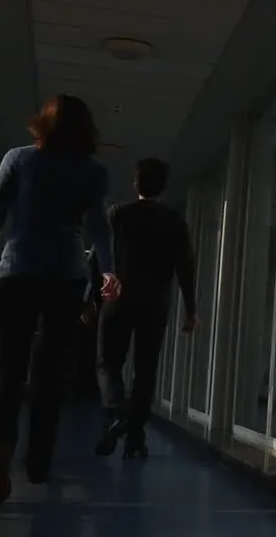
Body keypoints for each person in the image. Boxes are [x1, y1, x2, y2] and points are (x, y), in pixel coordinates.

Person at [0, 94, 120, 504]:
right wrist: (110, 271)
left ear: (41, 124)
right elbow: (99, 227)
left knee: (9, 369)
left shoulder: (18, 159)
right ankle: (39, 459)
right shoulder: (93, 172)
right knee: (50, 374)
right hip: (65, 278)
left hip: (16, 273)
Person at [95, 158, 197, 460]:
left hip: (118, 299)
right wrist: (190, 309)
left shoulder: (118, 215)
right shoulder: (175, 221)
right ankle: (136, 439)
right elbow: (185, 267)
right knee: (145, 371)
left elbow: (101, 258)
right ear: (163, 186)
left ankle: (116, 411)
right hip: (155, 304)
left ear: (135, 183)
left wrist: (92, 294)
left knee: (107, 362)